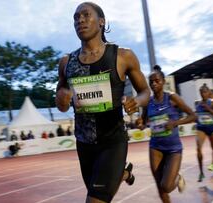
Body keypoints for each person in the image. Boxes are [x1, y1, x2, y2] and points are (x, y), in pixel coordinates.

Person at [55, 2, 150, 202]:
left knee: (95, 199)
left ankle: (119, 172)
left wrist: (137, 102)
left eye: (86, 15)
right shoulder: (66, 62)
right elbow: (61, 104)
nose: (79, 20)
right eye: (76, 17)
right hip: (84, 144)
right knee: (97, 192)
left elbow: (144, 91)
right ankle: (124, 174)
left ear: (101, 21)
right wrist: (62, 98)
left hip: (113, 141)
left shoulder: (123, 56)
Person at [137, 65, 196, 203]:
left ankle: (177, 178)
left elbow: (193, 116)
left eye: (157, 81)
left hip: (173, 148)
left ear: (163, 81)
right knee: (160, 189)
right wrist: (139, 124)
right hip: (155, 147)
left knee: (167, 186)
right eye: (151, 82)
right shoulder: (148, 103)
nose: (154, 84)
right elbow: (143, 123)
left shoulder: (172, 98)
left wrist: (175, 123)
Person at [195, 85, 213, 182]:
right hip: (201, 128)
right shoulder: (198, 104)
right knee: (198, 148)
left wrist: (209, 109)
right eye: (201, 92)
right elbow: (196, 116)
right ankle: (201, 173)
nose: (203, 94)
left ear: (208, 93)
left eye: (204, 92)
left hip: (212, 128)